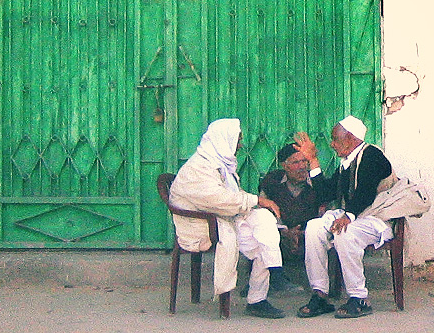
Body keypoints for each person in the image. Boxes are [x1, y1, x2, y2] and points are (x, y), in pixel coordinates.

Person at [168, 118, 289, 319]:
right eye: (237, 140)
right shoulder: (199, 167)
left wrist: (257, 204)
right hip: (202, 224)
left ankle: (269, 282)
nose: (240, 146)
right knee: (261, 240)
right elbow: (219, 200)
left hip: (223, 218)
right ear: (223, 140)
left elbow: (231, 197)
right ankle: (264, 288)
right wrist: (257, 200)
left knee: (264, 223)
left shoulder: (221, 164)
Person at [293, 115, 396, 319]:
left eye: (335, 139)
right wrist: (312, 160)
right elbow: (326, 193)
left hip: (376, 218)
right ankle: (320, 295)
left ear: (349, 138)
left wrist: (348, 216)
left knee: (344, 232)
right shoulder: (346, 164)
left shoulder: (372, 155)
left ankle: (359, 298)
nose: (332, 144)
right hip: (354, 216)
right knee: (314, 228)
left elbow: (365, 191)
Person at [258, 143, 328, 259]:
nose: (302, 166)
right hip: (278, 238)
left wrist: (303, 234)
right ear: (284, 166)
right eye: (296, 162)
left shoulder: (318, 184)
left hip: (311, 240)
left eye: (304, 161)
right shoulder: (271, 182)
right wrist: (285, 232)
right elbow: (261, 213)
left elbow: (327, 215)